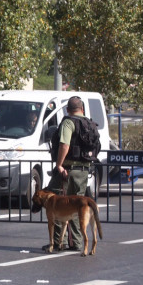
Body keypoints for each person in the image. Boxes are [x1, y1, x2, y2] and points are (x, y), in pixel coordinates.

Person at [45, 96, 91, 252]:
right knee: (77, 207)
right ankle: (77, 242)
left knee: (55, 203)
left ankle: (59, 241)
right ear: (82, 109)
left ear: (68, 110)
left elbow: (65, 144)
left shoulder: (68, 122)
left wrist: (59, 165)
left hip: (67, 170)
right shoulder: (89, 123)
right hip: (84, 171)